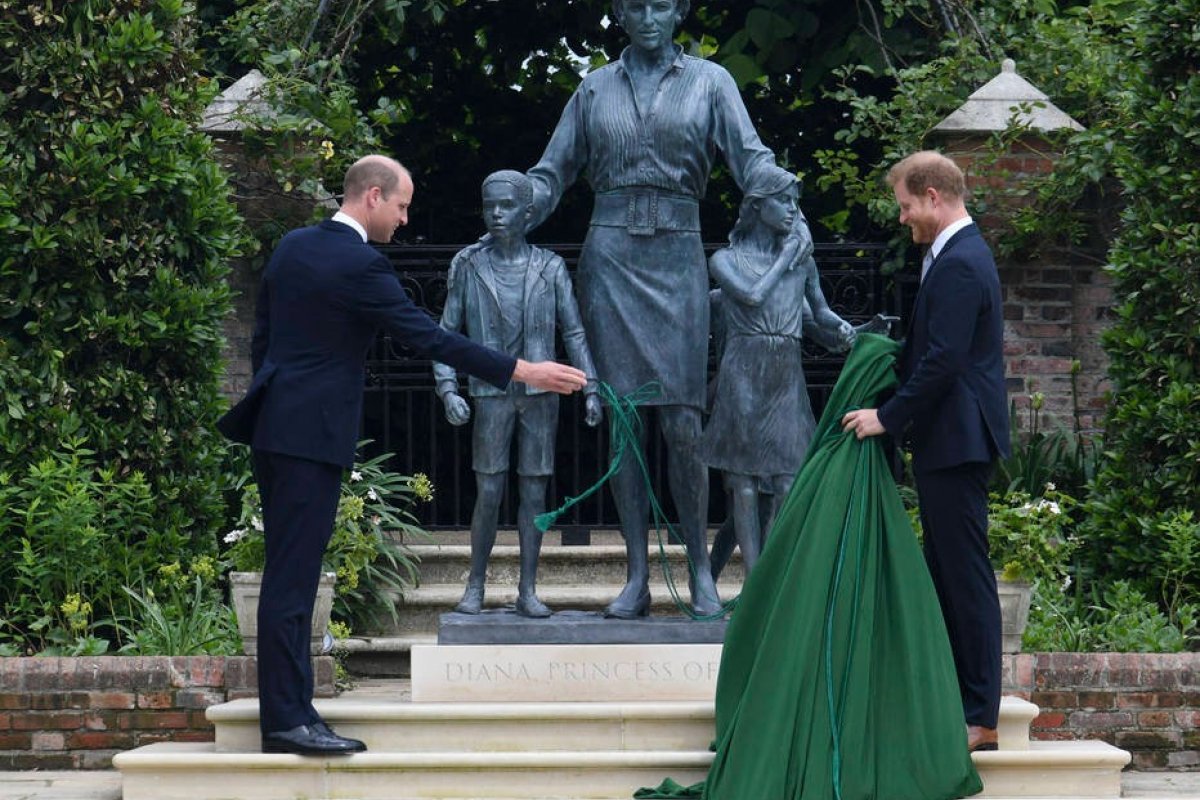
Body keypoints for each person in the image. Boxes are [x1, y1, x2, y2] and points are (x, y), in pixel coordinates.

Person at [217, 155, 587, 756]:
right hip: (312, 437)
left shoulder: (291, 248)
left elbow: (264, 339)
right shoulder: (361, 263)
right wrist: (526, 370)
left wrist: (279, 401)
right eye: (401, 205)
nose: (405, 218)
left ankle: (292, 713)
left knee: (290, 578)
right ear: (370, 196)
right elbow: (430, 336)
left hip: (276, 430)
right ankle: (288, 722)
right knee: (294, 581)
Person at [521, 0, 785, 618]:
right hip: (610, 258)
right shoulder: (593, 88)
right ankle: (637, 577)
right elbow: (551, 173)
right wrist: (511, 211)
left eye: (660, 5)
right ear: (618, 13)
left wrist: (785, 197)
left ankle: (698, 568)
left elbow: (751, 160)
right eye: (635, 6)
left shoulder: (711, 82)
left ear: (680, 11)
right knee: (624, 424)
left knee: (683, 423)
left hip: (678, 257)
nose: (647, 17)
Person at [841, 150, 1011, 753]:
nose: (903, 217)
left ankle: (981, 716)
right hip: (946, 439)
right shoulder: (947, 255)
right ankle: (954, 701)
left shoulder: (963, 261)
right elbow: (924, 352)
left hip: (959, 441)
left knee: (965, 577)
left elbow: (944, 359)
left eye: (907, 205)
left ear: (934, 197)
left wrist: (887, 417)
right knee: (944, 573)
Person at [433, 170, 603, 618]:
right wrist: (448, 387)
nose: (496, 214)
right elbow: (445, 334)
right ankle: (476, 584)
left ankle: (528, 589)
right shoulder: (469, 266)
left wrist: (592, 388)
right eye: (490, 206)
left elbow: (575, 331)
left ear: (528, 214)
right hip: (490, 395)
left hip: (540, 397)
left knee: (534, 494)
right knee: (488, 491)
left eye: (506, 206)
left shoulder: (549, 267)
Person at [699, 167, 854, 574]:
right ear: (755, 206)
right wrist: (786, 257)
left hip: (785, 374)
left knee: (788, 480)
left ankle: (775, 574)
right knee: (744, 485)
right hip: (743, 372)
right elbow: (751, 296)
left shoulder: (802, 265)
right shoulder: (725, 259)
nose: (791, 210)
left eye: (794, 202)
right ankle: (754, 580)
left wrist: (849, 331)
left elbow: (820, 316)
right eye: (782, 201)